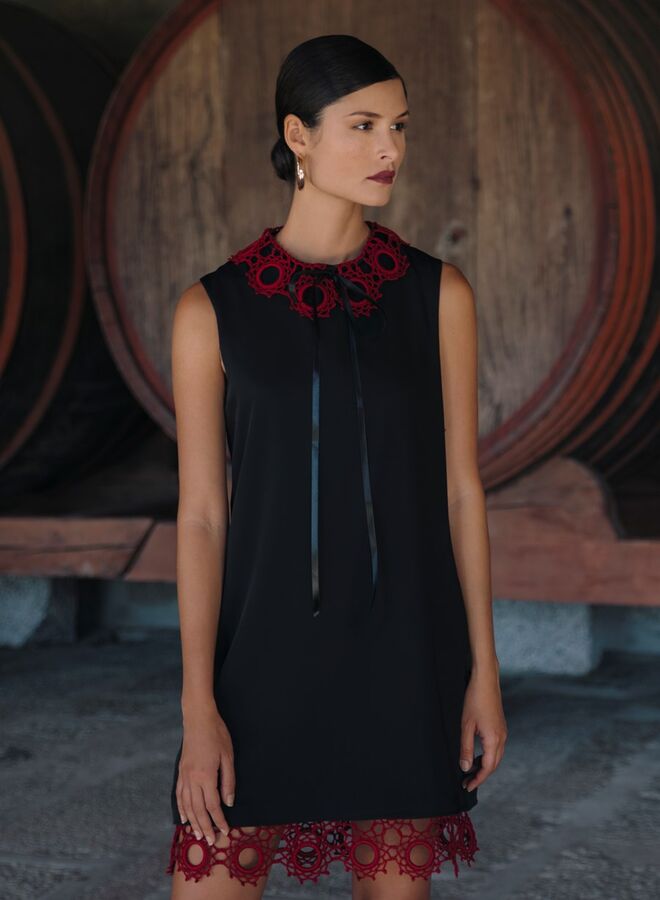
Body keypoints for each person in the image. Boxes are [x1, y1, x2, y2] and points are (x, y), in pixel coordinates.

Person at [166, 33, 506, 900]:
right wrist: (198, 706)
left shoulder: (440, 295)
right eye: (363, 125)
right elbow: (202, 516)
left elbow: (462, 494)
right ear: (299, 136)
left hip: (405, 660)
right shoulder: (210, 311)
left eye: (399, 126)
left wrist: (484, 672)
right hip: (260, 663)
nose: (391, 148)